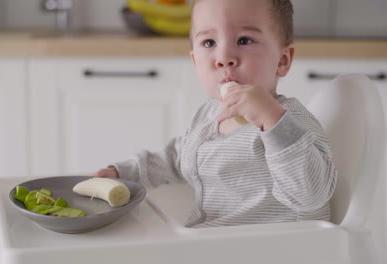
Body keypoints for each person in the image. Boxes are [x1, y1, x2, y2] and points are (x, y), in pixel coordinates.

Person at [94, 0, 337, 228]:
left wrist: (272, 120)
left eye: (244, 40)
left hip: (274, 250)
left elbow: (311, 195)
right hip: (210, 243)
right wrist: (124, 172)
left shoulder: (291, 123)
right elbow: (177, 158)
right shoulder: (208, 115)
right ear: (195, 60)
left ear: (282, 60)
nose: (224, 58)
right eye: (209, 43)